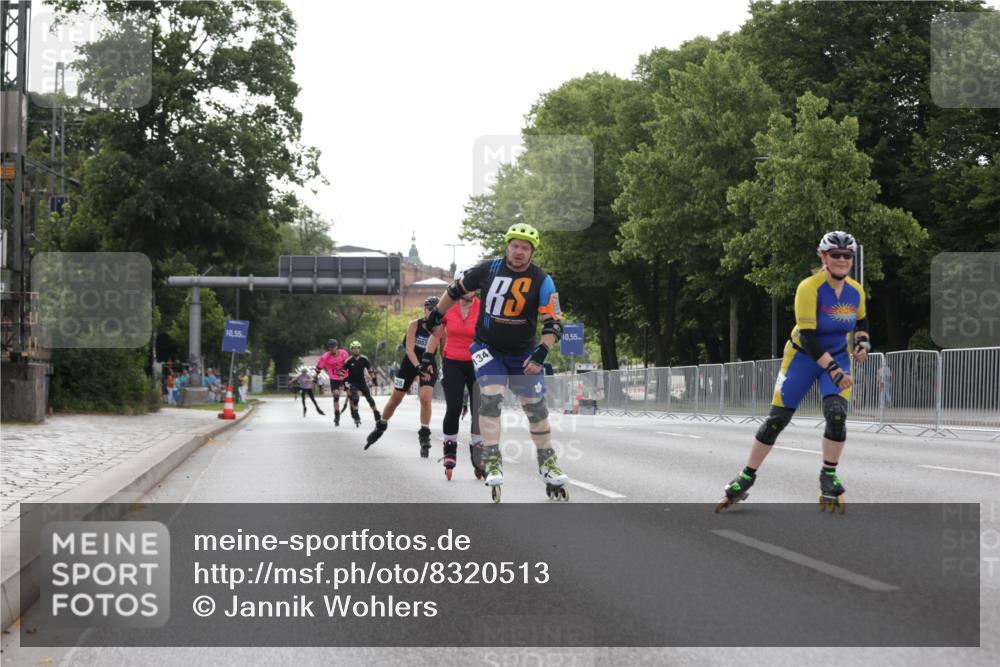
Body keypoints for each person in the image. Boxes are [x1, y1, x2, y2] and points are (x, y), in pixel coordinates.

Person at [715, 231, 870, 514]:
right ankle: (746, 476)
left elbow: (862, 321)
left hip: (836, 356)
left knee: (837, 413)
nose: (842, 260)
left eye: (848, 255)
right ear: (823, 257)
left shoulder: (855, 291)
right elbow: (809, 337)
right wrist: (833, 369)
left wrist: (862, 342)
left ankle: (828, 474)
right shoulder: (809, 288)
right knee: (777, 420)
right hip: (802, 357)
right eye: (836, 255)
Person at [417, 221, 568, 502]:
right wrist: (437, 314)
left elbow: (554, 323)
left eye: (525, 248)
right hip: (487, 348)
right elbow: (454, 290)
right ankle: (492, 458)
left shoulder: (543, 280)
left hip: (523, 352)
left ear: (532, 251)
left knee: (535, 408)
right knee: (490, 398)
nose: (519, 252)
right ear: (507, 247)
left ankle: (547, 464)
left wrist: (541, 353)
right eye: (515, 246)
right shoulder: (488, 268)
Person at [423, 273, 483, 479]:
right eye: (468, 285)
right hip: (453, 361)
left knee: (478, 408)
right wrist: (427, 358)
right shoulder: (448, 306)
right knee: (455, 406)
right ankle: (450, 450)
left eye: (474, 285)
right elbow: (436, 334)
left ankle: (478, 452)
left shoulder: (482, 307)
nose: (471, 288)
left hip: (477, 362)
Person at [364, 297, 441, 456]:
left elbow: (446, 351)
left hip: (429, 364)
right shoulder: (414, 324)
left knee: (425, 399)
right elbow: (409, 349)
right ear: (424, 310)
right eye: (429, 309)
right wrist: (417, 367)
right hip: (410, 363)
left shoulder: (441, 328)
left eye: (435, 310)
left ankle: (424, 434)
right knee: (395, 400)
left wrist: (443, 369)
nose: (431, 312)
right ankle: (381, 425)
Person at [344, 341, 380, 427]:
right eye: (354, 348)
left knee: (370, 399)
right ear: (351, 350)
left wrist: (374, 380)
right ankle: (356, 415)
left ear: (360, 349)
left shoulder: (364, 359)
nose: (356, 350)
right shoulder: (348, 360)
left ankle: (376, 413)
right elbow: (343, 373)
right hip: (352, 382)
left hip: (362, 382)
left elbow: (370, 370)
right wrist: (345, 385)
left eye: (357, 348)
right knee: (355, 398)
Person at [315, 338, 350, 426]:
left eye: (333, 347)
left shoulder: (344, 353)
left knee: (352, 394)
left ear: (336, 347)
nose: (332, 349)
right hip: (334, 378)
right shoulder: (325, 357)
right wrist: (315, 378)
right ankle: (337, 416)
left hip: (345, 376)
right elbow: (318, 369)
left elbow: (349, 364)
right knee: (336, 395)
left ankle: (353, 411)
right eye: (330, 347)